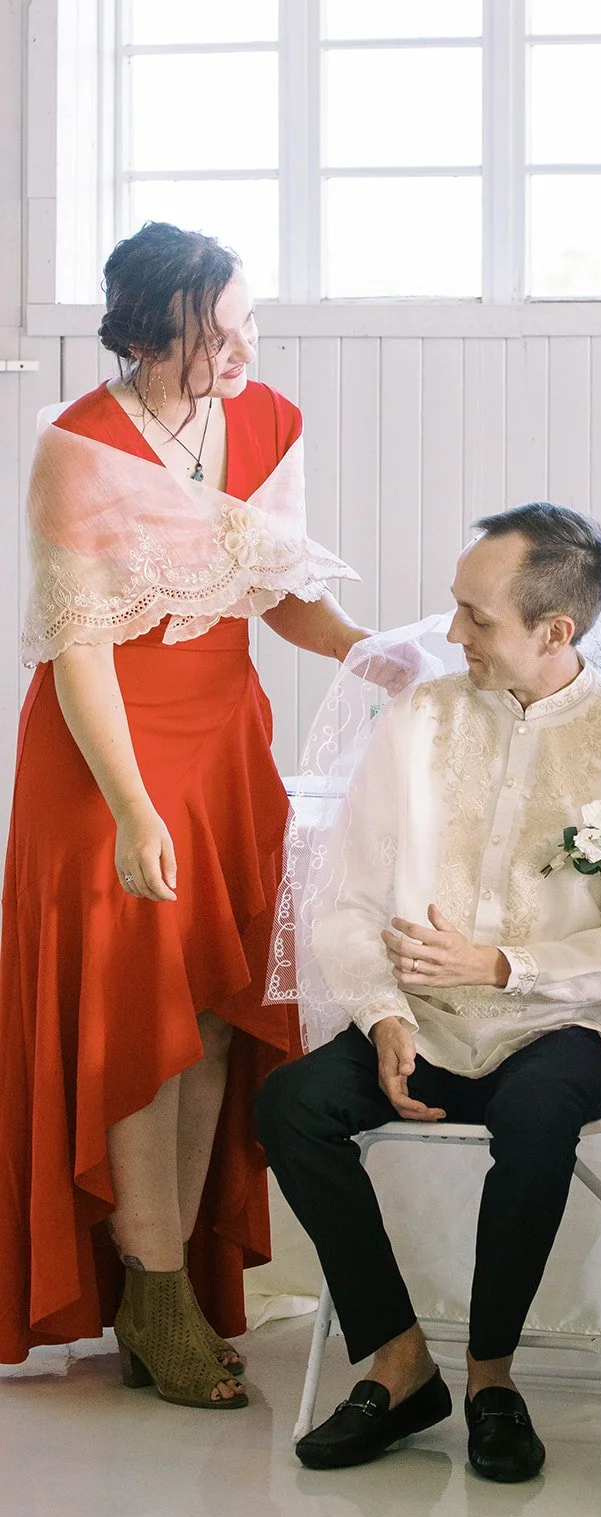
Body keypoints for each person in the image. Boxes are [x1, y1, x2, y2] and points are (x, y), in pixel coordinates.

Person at [0, 221, 369, 1407]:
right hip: (103, 755)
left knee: (212, 1000)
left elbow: (282, 597)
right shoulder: (75, 446)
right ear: (161, 330)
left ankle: (177, 1282)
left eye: (251, 321)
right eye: (226, 327)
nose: (248, 347)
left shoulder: (270, 421)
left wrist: (381, 655)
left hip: (221, 743)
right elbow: (81, 651)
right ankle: (150, 1283)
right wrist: (129, 807)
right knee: (129, 1009)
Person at [255, 503, 601, 1480]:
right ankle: (399, 1363)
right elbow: (347, 898)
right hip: (428, 1030)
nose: (450, 635)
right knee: (291, 1104)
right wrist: (385, 1015)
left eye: (475, 617)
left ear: (554, 631)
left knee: (534, 1115)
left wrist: (504, 967)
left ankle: (492, 1377)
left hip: (565, 1035)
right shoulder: (419, 718)